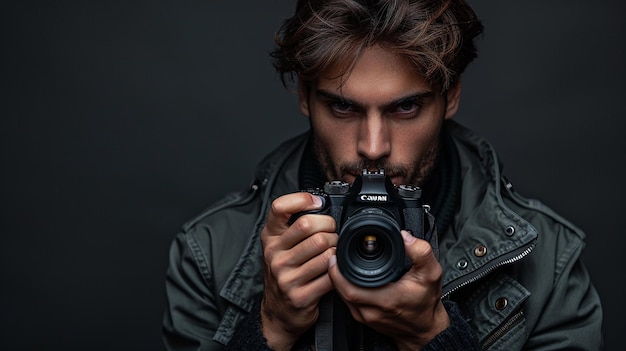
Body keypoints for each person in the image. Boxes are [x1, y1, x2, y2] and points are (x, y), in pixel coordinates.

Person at [162, 0, 604, 350]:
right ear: (304, 97)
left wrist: (433, 337)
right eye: (343, 106)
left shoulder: (548, 260)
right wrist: (271, 328)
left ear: (450, 97)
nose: (373, 147)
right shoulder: (208, 254)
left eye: (406, 107)